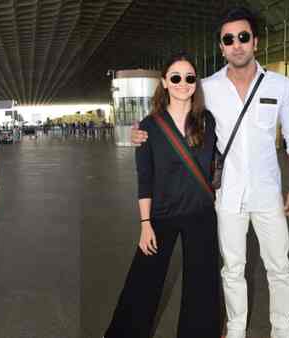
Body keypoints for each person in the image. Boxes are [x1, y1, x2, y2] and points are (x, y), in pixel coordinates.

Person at [131, 7, 289, 338]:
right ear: (222, 46)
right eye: (229, 39)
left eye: (243, 37)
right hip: (226, 196)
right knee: (232, 269)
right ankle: (236, 329)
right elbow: (174, 109)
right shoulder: (207, 87)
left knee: (279, 266)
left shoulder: (281, 86)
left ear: (255, 41)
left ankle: (283, 328)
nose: (236, 44)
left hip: (269, 193)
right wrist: (141, 131)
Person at [104, 52, 221, 338]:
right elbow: (145, 179)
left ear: (196, 83)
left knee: (202, 281)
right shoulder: (149, 127)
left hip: (201, 213)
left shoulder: (207, 121)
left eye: (189, 78)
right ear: (165, 82)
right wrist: (145, 224)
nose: (184, 83)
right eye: (176, 77)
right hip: (162, 214)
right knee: (144, 280)